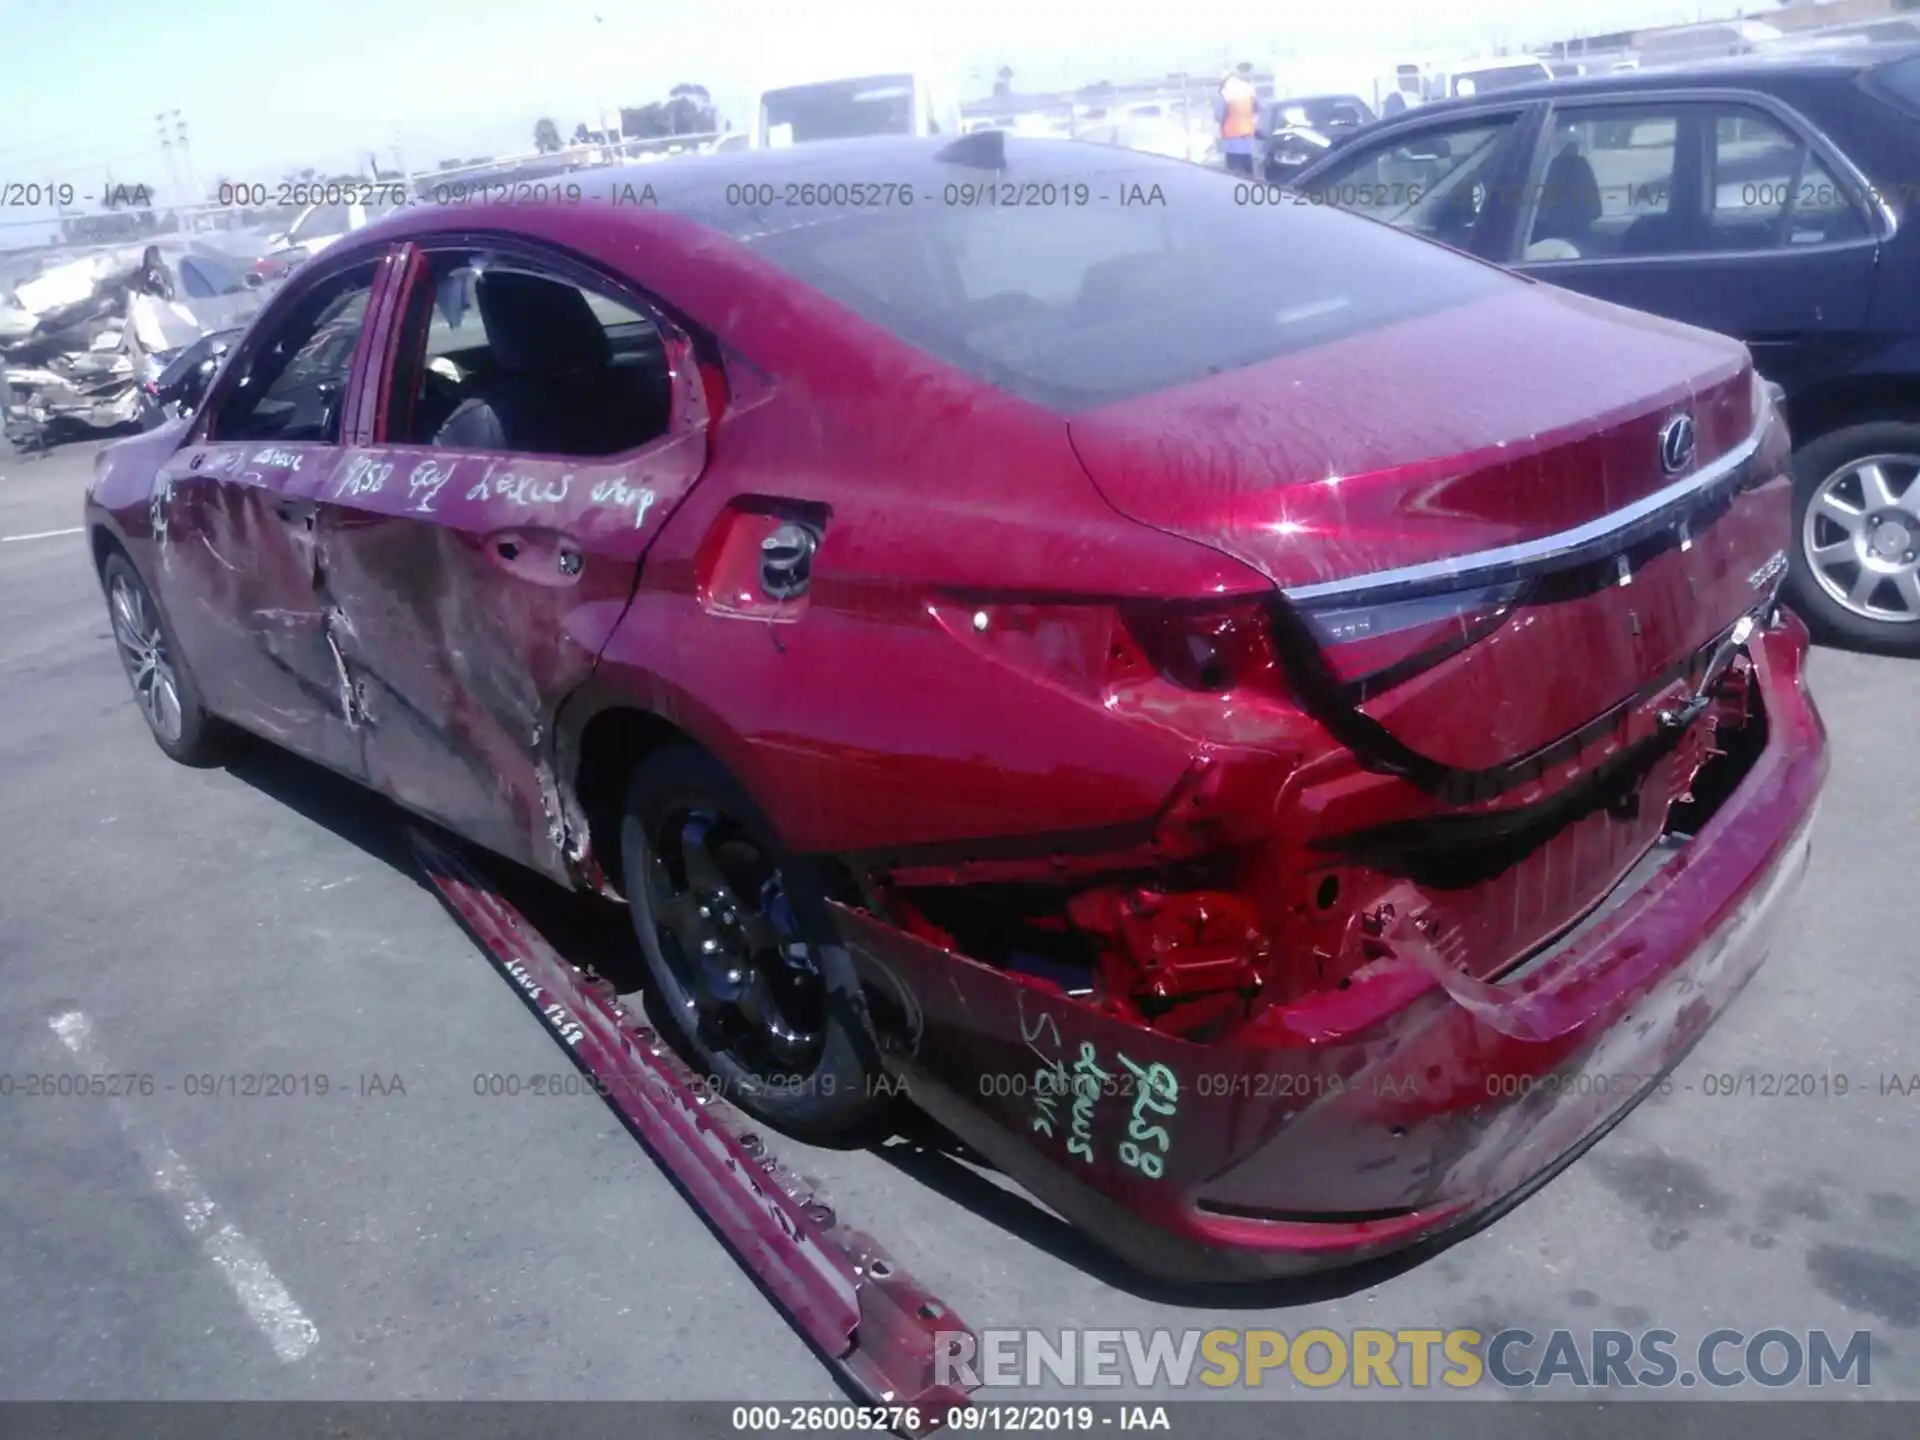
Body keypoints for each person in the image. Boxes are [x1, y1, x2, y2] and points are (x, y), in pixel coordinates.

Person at [1214, 63, 1259, 175]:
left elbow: (1219, 115)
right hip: (1248, 136)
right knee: (1248, 172)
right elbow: (1257, 108)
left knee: (1233, 174)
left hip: (1232, 137)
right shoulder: (1248, 88)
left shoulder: (1226, 91)